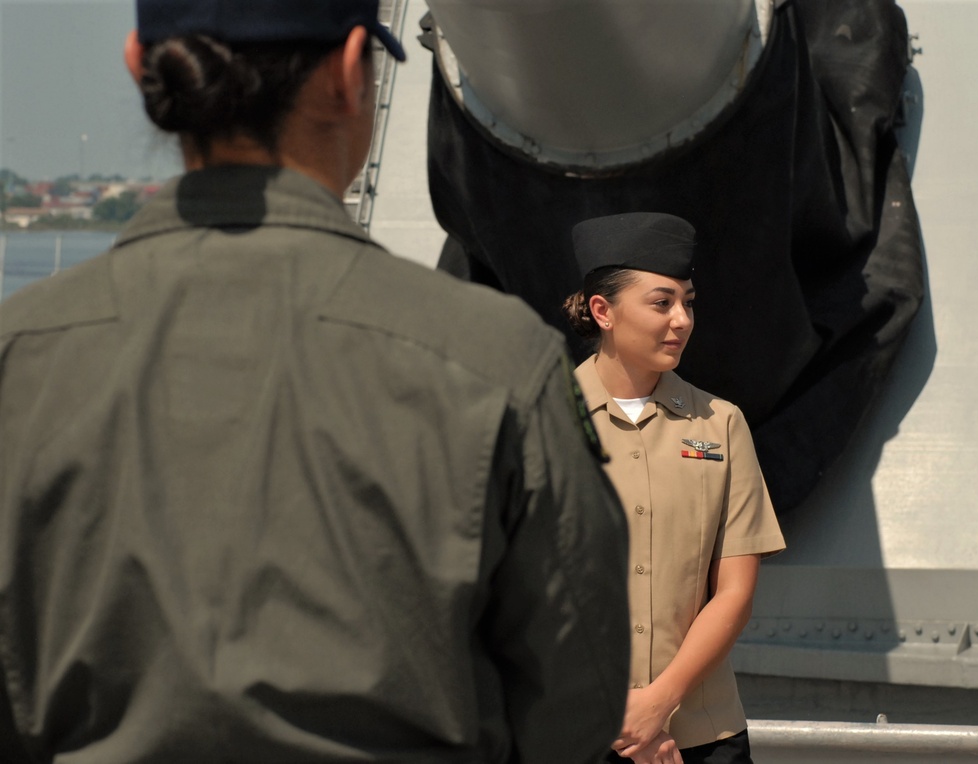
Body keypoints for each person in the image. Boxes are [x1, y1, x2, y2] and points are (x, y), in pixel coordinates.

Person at [0, 2, 631, 761]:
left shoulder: (21, 359)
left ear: (140, 65)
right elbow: (577, 699)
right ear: (348, 71)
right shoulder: (496, 362)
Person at [562, 212, 786, 764]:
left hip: (701, 737)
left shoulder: (721, 425)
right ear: (602, 311)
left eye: (688, 301)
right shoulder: (541, 419)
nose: (682, 319)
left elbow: (734, 591)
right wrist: (630, 723)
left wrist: (657, 704)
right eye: (662, 303)